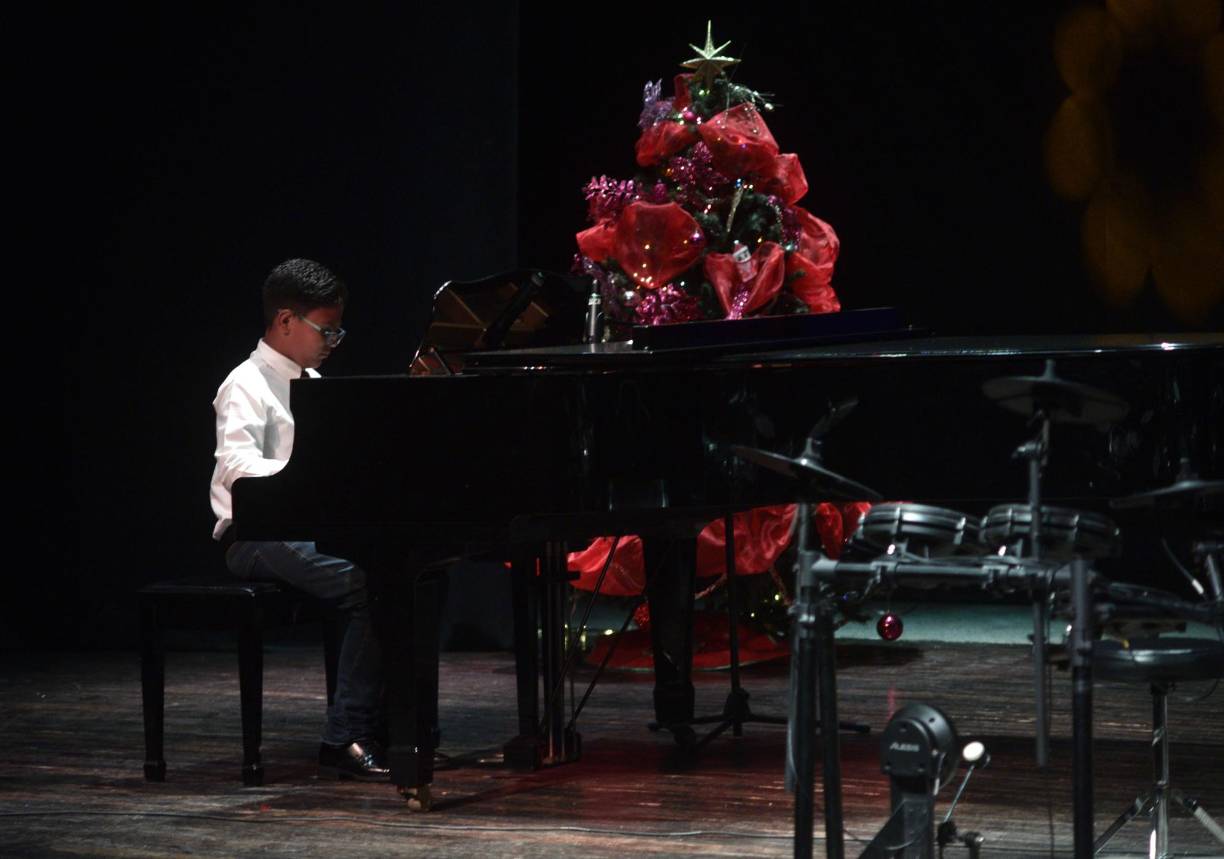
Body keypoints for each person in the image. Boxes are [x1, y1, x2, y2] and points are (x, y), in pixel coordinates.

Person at [209, 257, 389, 780]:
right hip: (256, 536)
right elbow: (236, 467)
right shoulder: (245, 383)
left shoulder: (312, 381)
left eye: (338, 329)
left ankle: (397, 723)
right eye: (325, 329)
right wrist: (301, 477)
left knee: (411, 572)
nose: (334, 340)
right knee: (367, 585)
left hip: (305, 530)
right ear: (286, 321)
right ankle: (344, 737)